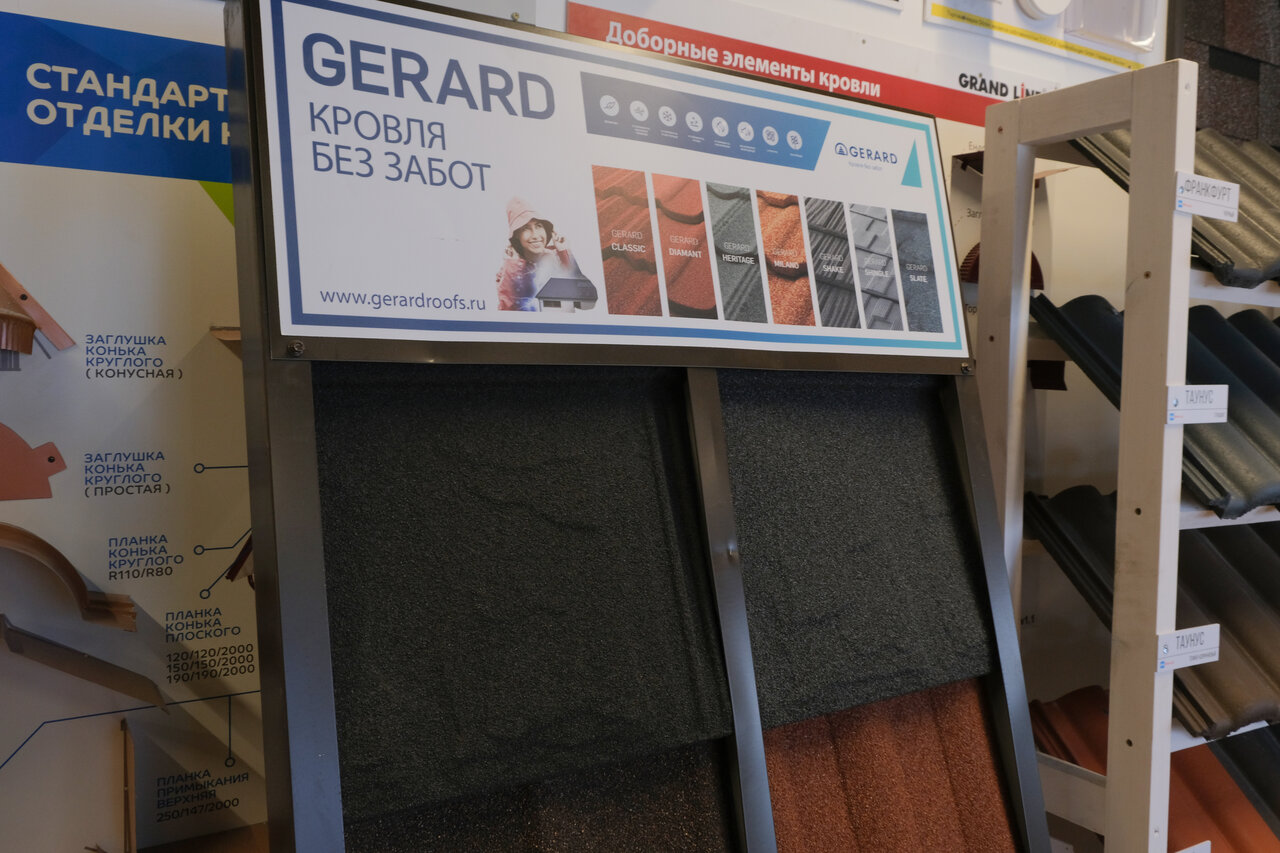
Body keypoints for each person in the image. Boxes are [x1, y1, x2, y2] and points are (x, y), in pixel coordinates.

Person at [495, 197, 581, 311]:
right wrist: (512, 265)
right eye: (525, 228)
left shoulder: (558, 257)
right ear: (516, 236)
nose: (535, 235)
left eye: (538, 226)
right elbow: (508, 309)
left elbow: (581, 297)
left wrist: (564, 252)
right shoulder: (508, 271)